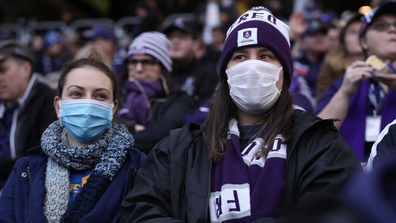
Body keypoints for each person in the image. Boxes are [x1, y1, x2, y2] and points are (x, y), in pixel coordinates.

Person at [119, 7, 361, 222]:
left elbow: (333, 210)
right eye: (240, 57)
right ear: (226, 74)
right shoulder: (179, 149)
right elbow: (140, 210)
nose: (252, 66)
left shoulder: (319, 143)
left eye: (265, 56)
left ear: (284, 73)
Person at [0, 53, 146, 222]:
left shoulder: (137, 167)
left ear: (113, 109)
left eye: (100, 96)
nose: (88, 103)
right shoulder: (25, 169)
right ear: (58, 106)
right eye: (76, 94)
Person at [316, 1, 396, 163]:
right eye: (381, 25)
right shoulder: (346, 81)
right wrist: (345, 92)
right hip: (349, 178)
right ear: (364, 42)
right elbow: (316, 138)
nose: (392, 29)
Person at [115, 31, 195, 154]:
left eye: (147, 62)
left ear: (163, 67)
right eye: (133, 61)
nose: (139, 69)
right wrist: (131, 126)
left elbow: (162, 134)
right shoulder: (117, 95)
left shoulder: (178, 99)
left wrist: (114, 143)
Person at [0, 41, 56, 190]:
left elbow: (39, 164)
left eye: (3, 70)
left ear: (26, 69)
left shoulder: (49, 103)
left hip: (26, 190)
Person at [163, 17, 219, 106]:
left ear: (196, 44)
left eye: (182, 37)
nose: (175, 41)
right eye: (171, 36)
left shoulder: (207, 75)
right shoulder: (159, 72)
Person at [316, 12, 365, 101]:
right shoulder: (331, 62)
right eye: (352, 32)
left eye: (362, 31)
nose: (359, 36)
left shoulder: (380, 64)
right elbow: (322, 101)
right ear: (343, 39)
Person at [293, 20, 328, 98]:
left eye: (322, 34)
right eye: (313, 35)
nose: (319, 38)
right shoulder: (293, 64)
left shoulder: (333, 63)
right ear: (302, 43)